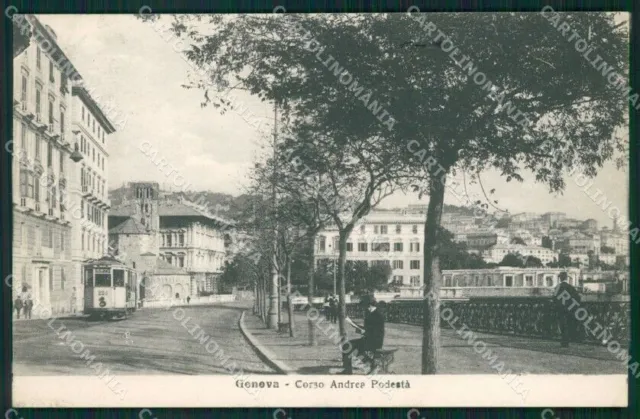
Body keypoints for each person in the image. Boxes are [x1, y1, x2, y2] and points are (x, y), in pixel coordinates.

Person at [340, 295, 385, 374]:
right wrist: (353, 324)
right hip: (368, 339)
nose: (363, 308)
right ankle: (348, 370)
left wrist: (364, 332)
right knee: (347, 345)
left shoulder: (378, 315)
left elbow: (377, 333)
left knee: (348, 346)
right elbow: (367, 328)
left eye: (364, 306)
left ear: (369, 305)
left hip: (375, 341)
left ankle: (371, 364)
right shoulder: (370, 313)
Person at [554, 271, 581, 348]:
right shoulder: (571, 287)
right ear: (566, 278)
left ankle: (564, 341)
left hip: (561, 309)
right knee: (569, 324)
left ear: (560, 278)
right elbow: (578, 298)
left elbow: (555, 299)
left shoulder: (558, 287)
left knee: (562, 325)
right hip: (570, 309)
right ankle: (568, 340)